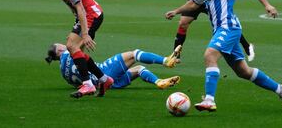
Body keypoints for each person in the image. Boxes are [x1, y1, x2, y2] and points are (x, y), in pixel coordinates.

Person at [165, 0, 282, 112]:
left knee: (210, 55)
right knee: (243, 71)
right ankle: (281, 89)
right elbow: (195, 4)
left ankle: (209, 100)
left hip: (229, 27)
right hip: (219, 30)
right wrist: (177, 11)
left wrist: (267, 5)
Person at [20, 0, 113, 98]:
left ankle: (88, 85)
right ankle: (104, 79)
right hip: (85, 15)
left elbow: (81, 10)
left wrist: (85, 34)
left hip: (91, 14)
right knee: (75, 49)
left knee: (71, 46)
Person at [45, 43, 182, 90]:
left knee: (139, 69)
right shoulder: (69, 51)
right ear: (59, 51)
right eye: (61, 45)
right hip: (103, 71)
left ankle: (159, 81)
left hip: (103, 85)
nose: (65, 44)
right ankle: (166, 61)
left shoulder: (63, 73)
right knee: (134, 54)